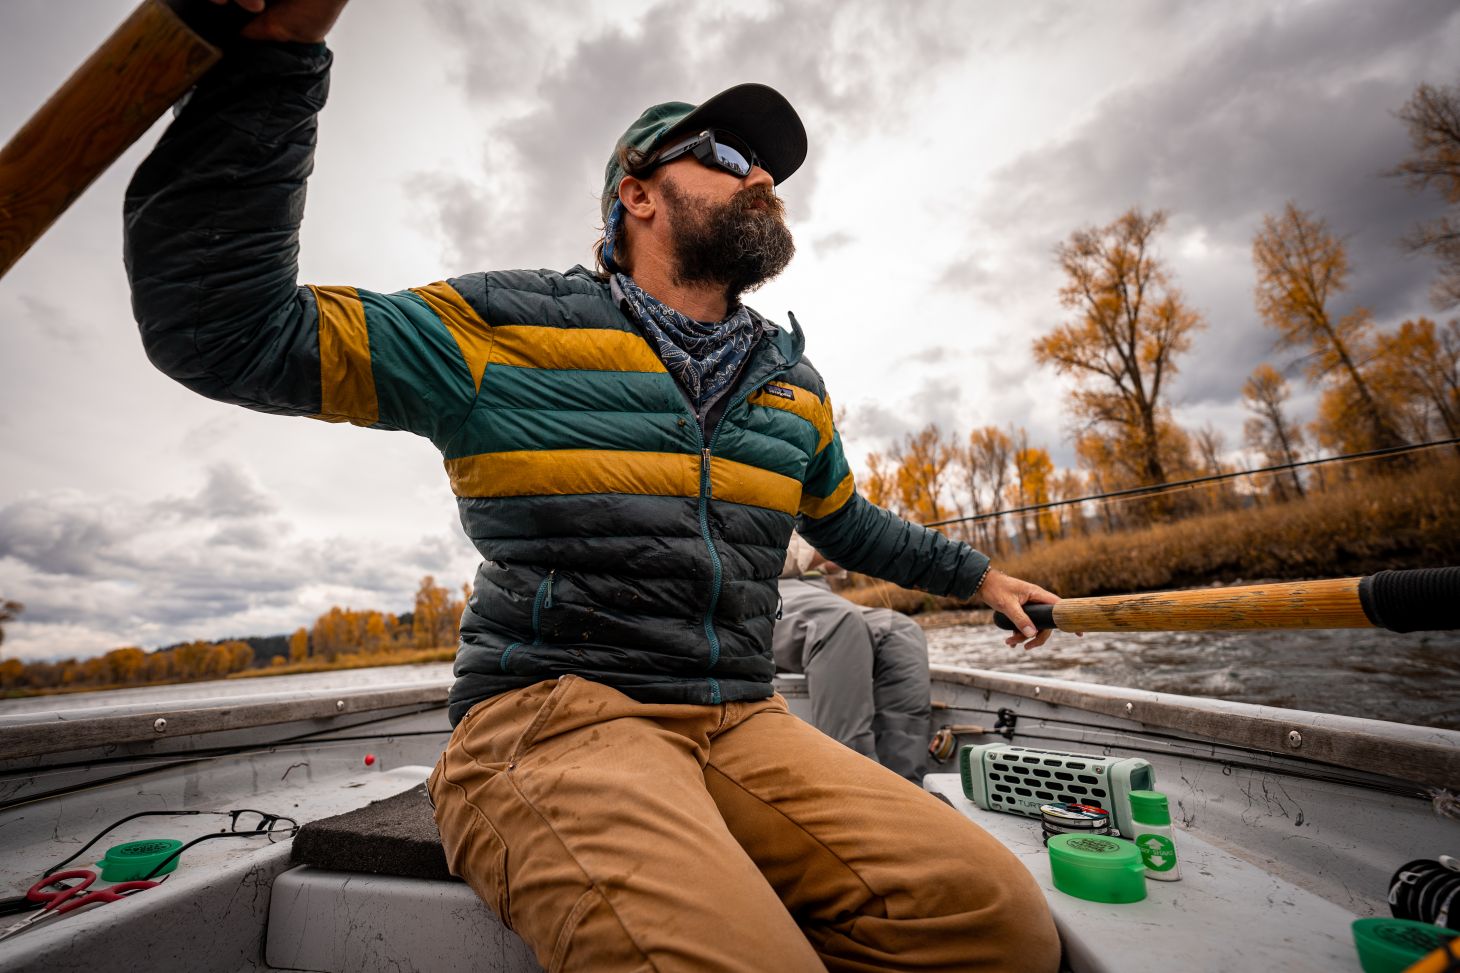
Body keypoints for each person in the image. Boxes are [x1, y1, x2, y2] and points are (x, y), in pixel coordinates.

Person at [126, 2, 1064, 969]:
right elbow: (228, 328)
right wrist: (276, 60)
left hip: (740, 716)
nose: (764, 178)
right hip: (548, 716)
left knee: (992, 921)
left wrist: (980, 577)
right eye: (730, 157)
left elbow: (848, 522)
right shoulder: (498, 328)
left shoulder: (794, 388)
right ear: (639, 195)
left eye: (768, 167)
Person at [775, 533, 934, 783]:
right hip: (755, 588)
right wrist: (818, 551)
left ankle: (905, 790)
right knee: (837, 622)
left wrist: (837, 555)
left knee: (901, 632)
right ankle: (854, 789)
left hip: (814, 589)